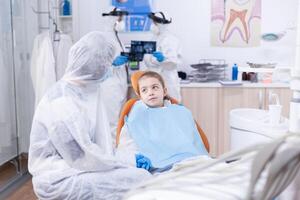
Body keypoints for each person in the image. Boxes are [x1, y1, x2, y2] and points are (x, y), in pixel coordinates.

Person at [28, 32, 151, 200]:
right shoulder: (61, 102)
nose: (109, 69)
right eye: (107, 65)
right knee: (141, 179)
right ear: (94, 67)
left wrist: (127, 158)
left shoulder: (85, 90)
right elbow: (84, 157)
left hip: (77, 167)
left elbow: (97, 146)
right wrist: (127, 160)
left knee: (137, 174)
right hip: (57, 179)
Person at [116, 71, 208, 172]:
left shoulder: (180, 112)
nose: (150, 92)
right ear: (140, 96)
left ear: (164, 91)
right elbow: (125, 147)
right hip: (160, 167)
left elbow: (194, 142)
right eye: (144, 90)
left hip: (192, 162)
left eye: (155, 87)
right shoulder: (136, 115)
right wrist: (134, 159)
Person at [100, 8, 129, 146]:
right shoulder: (104, 37)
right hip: (109, 86)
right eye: (120, 19)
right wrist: (112, 63)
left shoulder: (115, 36)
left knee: (118, 121)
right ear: (113, 19)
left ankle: (117, 152)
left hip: (119, 85)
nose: (122, 22)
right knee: (111, 122)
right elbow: (97, 62)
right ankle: (111, 155)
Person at [141, 12, 182, 102]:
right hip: (155, 81)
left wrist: (163, 59)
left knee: (170, 109)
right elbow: (148, 58)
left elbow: (173, 63)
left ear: (160, 24)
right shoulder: (155, 38)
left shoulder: (170, 39)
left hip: (167, 82)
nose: (152, 25)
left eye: (154, 23)